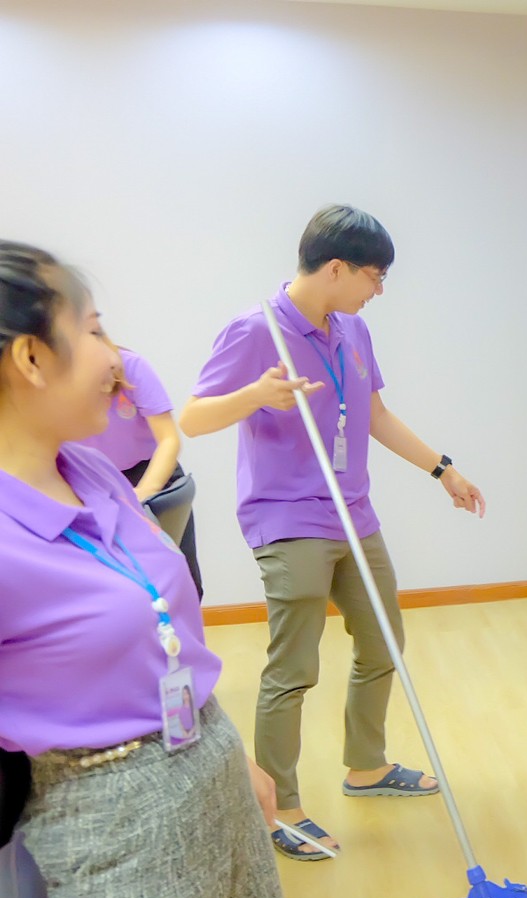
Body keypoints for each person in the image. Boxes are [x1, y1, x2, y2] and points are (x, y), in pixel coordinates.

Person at [0, 241, 311, 898]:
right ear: (31, 357)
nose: (117, 355)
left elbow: (163, 630)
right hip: (106, 839)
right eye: (94, 330)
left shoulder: (93, 472)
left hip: (208, 786)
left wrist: (222, 749)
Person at [180, 205, 485, 860]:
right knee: (294, 666)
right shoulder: (256, 330)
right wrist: (255, 396)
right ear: (338, 269)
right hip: (288, 517)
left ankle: (366, 766)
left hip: (353, 511)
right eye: (376, 276)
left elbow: (375, 414)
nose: (380, 290)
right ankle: (281, 808)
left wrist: (443, 469)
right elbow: (194, 418)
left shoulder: (352, 330)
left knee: (383, 641)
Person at [76, 342, 204, 597]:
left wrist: (144, 492)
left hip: (150, 473)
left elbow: (169, 439)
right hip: (92, 481)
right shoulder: (50, 382)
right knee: (119, 588)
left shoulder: (130, 366)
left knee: (182, 583)